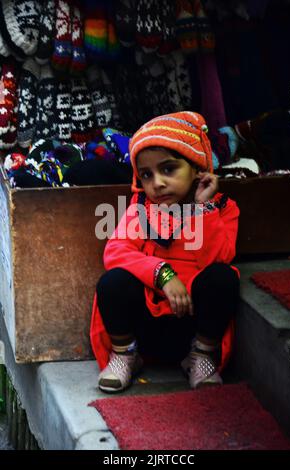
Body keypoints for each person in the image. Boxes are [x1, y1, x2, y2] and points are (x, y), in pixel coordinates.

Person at [90, 111, 240, 393]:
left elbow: (218, 258)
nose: (157, 182)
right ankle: (125, 355)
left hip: (192, 323)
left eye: (168, 169)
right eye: (147, 175)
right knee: (113, 282)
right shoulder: (142, 210)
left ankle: (202, 357)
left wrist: (202, 210)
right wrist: (162, 274)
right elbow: (116, 250)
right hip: (147, 323)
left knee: (224, 277)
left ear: (197, 168)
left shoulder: (221, 209)